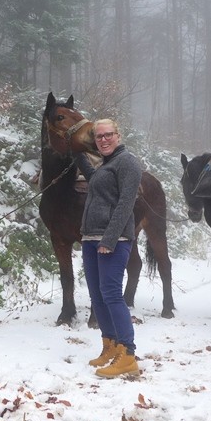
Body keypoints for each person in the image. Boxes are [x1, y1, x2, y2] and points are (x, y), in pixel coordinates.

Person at [74, 118, 141, 378]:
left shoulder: (127, 162)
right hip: (91, 238)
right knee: (97, 294)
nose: (103, 139)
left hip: (113, 239)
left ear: (118, 135)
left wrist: (110, 239)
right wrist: (77, 153)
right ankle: (110, 345)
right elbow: (95, 181)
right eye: (98, 136)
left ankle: (128, 355)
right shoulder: (106, 165)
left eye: (108, 135)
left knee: (112, 294)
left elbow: (126, 203)